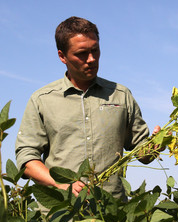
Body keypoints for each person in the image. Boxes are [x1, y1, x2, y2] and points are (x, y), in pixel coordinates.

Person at [15, 16, 159, 201]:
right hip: (62, 213)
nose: (91, 59)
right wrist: (61, 184)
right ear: (62, 56)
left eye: (95, 50)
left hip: (112, 213)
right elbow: (27, 160)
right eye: (82, 53)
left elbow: (142, 153)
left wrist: (156, 145)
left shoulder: (121, 95)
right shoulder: (42, 100)